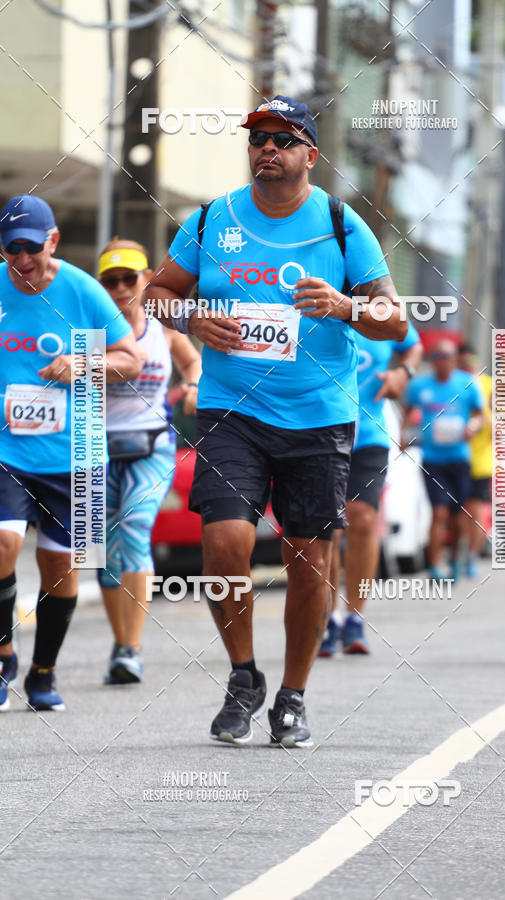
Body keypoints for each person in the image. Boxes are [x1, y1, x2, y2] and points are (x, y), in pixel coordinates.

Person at [145, 95, 408, 747]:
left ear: (310, 155)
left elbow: (397, 320)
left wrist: (346, 307)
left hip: (318, 417)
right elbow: (158, 293)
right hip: (232, 409)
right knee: (225, 542)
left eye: (284, 139)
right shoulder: (212, 219)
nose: (268, 147)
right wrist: (187, 319)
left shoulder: (344, 226)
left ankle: (292, 696)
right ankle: (243, 678)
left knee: (309, 559)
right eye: (259, 137)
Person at [0, 195, 140, 712]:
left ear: (52, 241)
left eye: (31, 248)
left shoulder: (82, 291)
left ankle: (43, 672)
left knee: (62, 569)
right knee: (2, 545)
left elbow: (131, 356)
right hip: (6, 449)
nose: (22, 260)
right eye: (11, 249)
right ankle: (3, 656)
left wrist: (82, 362)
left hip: (76, 452)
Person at [97, 238, 202, 685]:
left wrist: (194, 386)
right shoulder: (88, 328)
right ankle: (120, 641)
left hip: (152, 445)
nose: (121, 287)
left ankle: (132, 649)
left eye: (129, 278)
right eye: (111, 280)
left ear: (145, 281)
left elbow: (192, 364)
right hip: (94, 449)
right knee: (100, 555)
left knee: (136, 532)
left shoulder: (164, 328)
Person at [320, 324, 422, 656]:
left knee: (362, 519)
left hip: (369, 437)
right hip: (321, 434)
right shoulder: (314, 301)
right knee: (327, 531)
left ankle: (355, 617)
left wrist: (403, 374)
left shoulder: (381, 309)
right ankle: (327, 618)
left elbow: (413, 344)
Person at [403, 339, 484, 581]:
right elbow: (407, 410)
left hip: (459, 458)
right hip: (432, 459)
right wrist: (403, 432)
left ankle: (457, 560)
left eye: (447, 357)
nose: (442, 362)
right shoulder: (420, 386)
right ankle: (435, 566)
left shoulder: (467, 384)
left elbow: (480, 414)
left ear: (454, 360)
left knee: (458, 514)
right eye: (437, 357)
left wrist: (473, 426)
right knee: (438, 512)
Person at [458, 342, 493, 578]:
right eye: (463, 363)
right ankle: (457, 556)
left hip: (482, 459)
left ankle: (471, 556)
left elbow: (500, 419)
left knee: (476, 509)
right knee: (459, 511)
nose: (468, 367)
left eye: (471, 362)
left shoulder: (488, 385)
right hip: (454, 458)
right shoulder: (453, 386)